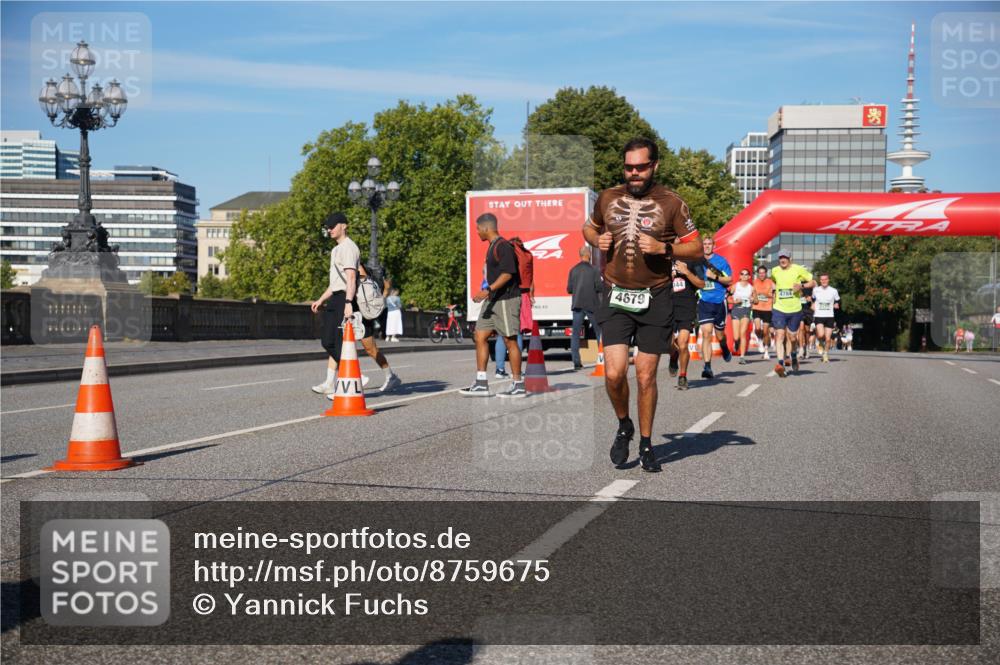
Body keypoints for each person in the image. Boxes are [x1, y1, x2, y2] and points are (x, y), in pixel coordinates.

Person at [582, 137, 702, 472]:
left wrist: (665, 250)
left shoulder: (672, 203)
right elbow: (588, 229)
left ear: (654, 166)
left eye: (641, 167)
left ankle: (647, 444)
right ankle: (624, 424)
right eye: (629, 167)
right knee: (615, 372)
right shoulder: (607, 197)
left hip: (656, 296)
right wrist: (597, 239)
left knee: (646, 376)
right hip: (617, 294)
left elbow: (696, 250)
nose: (634, 173)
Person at [461, 213, 524, 398]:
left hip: (505, 299)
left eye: (478, 228)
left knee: (509, 341)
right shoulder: (491, 247)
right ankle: (481, 382)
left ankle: (518, 384)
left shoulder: (503, 246)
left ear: (486, 228)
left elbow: (508, 274)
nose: (477, 232)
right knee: (479, 335)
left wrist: (487, 290)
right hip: (492, 300)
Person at [310, 211, 360, 395]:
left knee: (338, 342)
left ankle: (352, 378)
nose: (329, 229)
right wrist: (321, 299)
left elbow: (351, 277)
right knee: (327, 341)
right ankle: (332, 382)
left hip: (343, 299)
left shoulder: (349, 247)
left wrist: (348, 302)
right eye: (328, 227)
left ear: (344, 226)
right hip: (335, 297)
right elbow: (335, 283)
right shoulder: (336, 249)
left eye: (332, 226)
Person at [338, 264, 402, 394]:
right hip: (349, 312)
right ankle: (339, 380)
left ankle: (390, 375)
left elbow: (364, 283)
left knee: (371, 349)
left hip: (360, 313)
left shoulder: (356, 264)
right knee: (339, 345)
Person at [686, 235, 733, 380]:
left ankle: (724, 347)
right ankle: (707, 367)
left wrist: (715, 277)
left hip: (719, 301)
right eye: (704, 244)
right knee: (706, 333)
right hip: (704, 301)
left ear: (714, 246)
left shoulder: (721, 261)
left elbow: (730, 279)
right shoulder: (696, 262)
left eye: (709, 244)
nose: (706, 246)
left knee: (719, 335)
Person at [769, 251, 815, 377]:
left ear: (790, 259)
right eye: (780, 258)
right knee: (779, 335)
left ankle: (793, 355)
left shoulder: (798, 269)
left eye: (785, 258)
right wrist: (773, 293)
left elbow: (813, 282)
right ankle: (780, 363)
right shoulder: (774, 270)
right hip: (779, 308)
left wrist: (801, 285)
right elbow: (773, 281)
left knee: (793, 337)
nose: (782, 260)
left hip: (794, 310)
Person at [567, 245, 603, 369]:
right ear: (589, 255)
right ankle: (602, 359)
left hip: (577, 304)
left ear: (580, 255)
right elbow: (599, 287)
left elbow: (569, 289)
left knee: (575, 334)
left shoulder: (573, 270)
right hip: (592, 305)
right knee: (599, 331)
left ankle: (576, 362)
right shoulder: (594, 270)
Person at [668, 257, 700, 389]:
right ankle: (673, 355)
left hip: (687, 307)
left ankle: (683, 376)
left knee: (683, 344)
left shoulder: (694, 260)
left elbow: (701, 283)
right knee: (669, 344)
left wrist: (686, 272)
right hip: (668, 306)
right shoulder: (664, 258)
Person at [812, 273, 840, 363]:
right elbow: (812, 299)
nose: (824, 281)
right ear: (820, 281)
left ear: (828, 280)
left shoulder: (834, 290)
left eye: (825, 279)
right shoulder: (815, 290)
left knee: (828, 338)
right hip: (819, 315)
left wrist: (836, 304)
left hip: (829, 316)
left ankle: (825, 354)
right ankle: (819, 342)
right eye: (822, 279)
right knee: (820, 335)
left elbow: (837, 299)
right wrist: (812, 304)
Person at [729, 268, 754, 364]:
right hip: (736, 311)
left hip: (746, 311)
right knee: (736, 336)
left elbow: (756, 301)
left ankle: (742, 357)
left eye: (746, 274)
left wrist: (753, 299)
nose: (744, 276)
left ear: (749, 276)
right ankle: (736, 342)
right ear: (739, 276)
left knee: (743, 333)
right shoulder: (735, 286)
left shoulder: (751, 288)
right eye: (742, 274)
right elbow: (727, 298)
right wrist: (735, 301)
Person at [751, 265, 775, 360]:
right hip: (756, 307)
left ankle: (766, 351)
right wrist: (752, 297)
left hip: (767, 309)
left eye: (763, 273)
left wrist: (768, 295)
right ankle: (760, 341)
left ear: (766, 273)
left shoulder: (770, 282)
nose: (761, 274)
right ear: (758, 273)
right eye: (760, 273)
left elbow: (774, 294)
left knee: (765, 331)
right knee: (757, 328)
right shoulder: (754, 282)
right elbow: (751, 293)